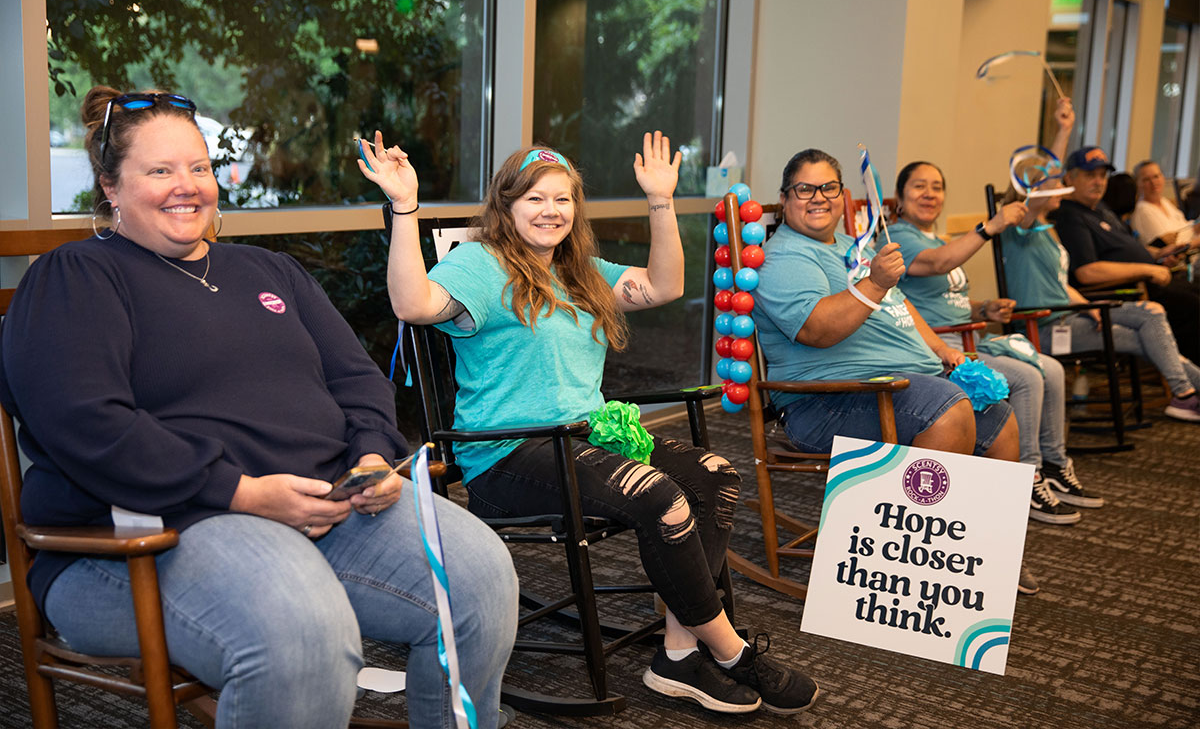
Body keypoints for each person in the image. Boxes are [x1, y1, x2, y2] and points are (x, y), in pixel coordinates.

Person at [0, 87, 519, 729]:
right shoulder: (76, 277)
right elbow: (88, 425)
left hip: (332, 509)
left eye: (198, 167)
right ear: (110, 186)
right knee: (303, 632)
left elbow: (356, 377)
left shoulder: (270, 271)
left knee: (480, 580)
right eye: (159, 171)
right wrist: (240, 492)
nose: (186, 186)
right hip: (145, 539)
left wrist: (370, 455)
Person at [359, 130, 819, 716]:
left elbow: (664, 285)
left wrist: (661, 199)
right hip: (508, 455)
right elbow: (412, 304)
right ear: (506, 205)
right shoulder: (480, 264)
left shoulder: (578, 271)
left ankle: (678, 657)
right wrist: (404, 207)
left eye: (562, 199)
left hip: (585, 439)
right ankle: (731, 653)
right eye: (534, 198)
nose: (550, 211)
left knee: (713, 474)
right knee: (660, 496)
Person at [751, 150, 1019, 462]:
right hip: (825, 400)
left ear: (842, 196)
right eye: (805, 189)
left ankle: (975, 512)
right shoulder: (785, 256)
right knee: (948, 408)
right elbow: (816, 329)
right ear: (784, 199)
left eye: (829, 188)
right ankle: (906, 510)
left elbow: (899, 304)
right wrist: (876, 283)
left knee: (999, 418)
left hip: (889, 384)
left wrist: (941, 351)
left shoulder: (850, 246)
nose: (818, 198)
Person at [889, 156, 1102, 526]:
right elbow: (938, 264)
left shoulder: (936, 237)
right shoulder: (898, 238)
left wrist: (982, 308)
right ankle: (1027, 477)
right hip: (940, 348)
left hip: (970, 336)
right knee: (1026, 377)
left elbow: (946, 299)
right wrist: (989, 227)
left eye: (937, 187)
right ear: (899, 197)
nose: (929, 194)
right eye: (919, 186)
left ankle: (1052, 462)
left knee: (1050, 368)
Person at [1001, 176, 1200, 423]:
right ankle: (1185, 393)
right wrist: (1063, 135)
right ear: (1035, 191)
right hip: (1042, 326)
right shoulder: (1020, 228)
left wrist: (1086, 306)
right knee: (1146, 334)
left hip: (1066, 315)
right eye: (1057, 186)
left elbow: (1060, 285)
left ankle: (1185, 393)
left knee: (1152, 312)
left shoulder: (1045, 231)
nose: (1064, 191)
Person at [1052, 147, 1199, 363]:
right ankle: (1192, 381)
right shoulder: (1070, 215)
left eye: (1102, 176)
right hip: (1127, 291)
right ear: (1069, 178)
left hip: (1151, 277)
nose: (1099, 182)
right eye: (1090, 175)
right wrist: (1149, 269)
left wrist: (1158, 254)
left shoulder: (1099, 208)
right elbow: (1087, 272)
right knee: (1194, 306)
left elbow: (1126, 246)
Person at [1128, 160, 1200, 252]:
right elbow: (1168, 247)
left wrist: (1195, 227)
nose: (1153, 182)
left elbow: (1183, 227)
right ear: (1137, 184)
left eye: (1156, 176)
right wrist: (1194, 233)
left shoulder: (1164, 201)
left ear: (1163, 178)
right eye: (1146, 179)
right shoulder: (1143, 211)